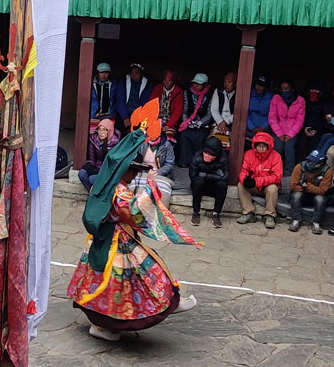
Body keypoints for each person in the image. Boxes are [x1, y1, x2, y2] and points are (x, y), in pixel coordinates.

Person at [65, 99, 200, 342]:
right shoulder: (120, 190)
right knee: (139, 275)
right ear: (125, 171)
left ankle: (107, 325)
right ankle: (160, 304)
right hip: (116, 242)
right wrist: (150, 193)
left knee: (125, 279)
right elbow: (133, 212)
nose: (135, 174)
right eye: (133, 170)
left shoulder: (107, 184)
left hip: (110, 239)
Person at [236, 131, 283, 228]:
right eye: (259, 145)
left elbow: (277, 177)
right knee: (240, 185)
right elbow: (244, 170)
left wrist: (257, 181)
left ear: (269, 146)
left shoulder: (276, 156)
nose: (261, 148)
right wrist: (245, 179)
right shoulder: (249, 154)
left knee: (273, 188)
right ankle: (248, 212)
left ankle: (269, 215)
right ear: (255, 145)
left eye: (264, 146)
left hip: (266, 186)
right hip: (253, 185)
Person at [288, 149, 334, 234]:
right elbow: (293, 186)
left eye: (313, 162)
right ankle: (296, 220)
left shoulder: (327, 171)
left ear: (320, 163)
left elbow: (323, 190)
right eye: (309, 160)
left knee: (320, 199)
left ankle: (316, 223)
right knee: (296, 195)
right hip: (302, 193)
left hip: (316, 196)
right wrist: (307, 189)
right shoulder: (299, 166)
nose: (310, 163)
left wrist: (308, 186)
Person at [188, 136, 228, 228]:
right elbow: (193, 176)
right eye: (205, 153)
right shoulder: (196, 157)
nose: (207, 156)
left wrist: (205, 175)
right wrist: (217, 176)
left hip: (214, 187)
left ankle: (216, 214)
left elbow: (225, 177)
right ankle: (196, 212)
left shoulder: (223, 158)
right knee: (198, 182)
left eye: (210, 155)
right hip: (200, 186)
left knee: (223, 185)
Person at [268, 79, 305, 173]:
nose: (284, 91)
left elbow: (300, 120)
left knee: (289, 148)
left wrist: (290, 134)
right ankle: (274, 171)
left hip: (292, 130)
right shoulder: (276, 98)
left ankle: (289, 173)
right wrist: (279, 133)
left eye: (286, 89)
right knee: (277, 147)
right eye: (282, 89)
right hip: (278, 129)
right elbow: (272, 117)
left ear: (292, 89)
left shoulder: (300, 100)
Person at [177, 73, 213, 167]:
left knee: (200, 136)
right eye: (194, 83)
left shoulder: (210, 94)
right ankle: (184, 161)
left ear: (205, 84)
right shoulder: (188, 92)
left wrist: (200, 123)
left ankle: (197, 162)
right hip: (189, 120)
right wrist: (187, 121)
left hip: (203, 122)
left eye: (199, 83)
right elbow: (185, 110)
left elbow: (209, 113)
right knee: (184, 134)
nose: (195, 85)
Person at [78, 118, 120, 190]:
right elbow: (92, 158)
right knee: (82, 173)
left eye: (104, 130)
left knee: (92, 179)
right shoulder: (94, 140)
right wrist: (89, 165)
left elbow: (113, 163)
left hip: (107, 171)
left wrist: (101, 171)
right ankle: (91, 194)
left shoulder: (115, 143)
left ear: (109, 131)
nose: (101, 132)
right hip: (96, 167)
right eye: (99, 129)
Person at [297, 82, 333, 161]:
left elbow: (324, 120)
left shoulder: (324, 103)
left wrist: (317, 130)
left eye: (317, 90)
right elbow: (299, 117)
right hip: (304, 129)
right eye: (312, 90)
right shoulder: (304, 101)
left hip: (318, 131)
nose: (314, 93)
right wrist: (304, 128)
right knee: (301, 145)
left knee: (315, 145)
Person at [114, 62, 152, 130]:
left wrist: (138, 117)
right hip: (124, 114)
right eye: (132, 73)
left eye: (137, 73)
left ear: (141, 74)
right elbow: (120, 100)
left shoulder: (147, 85)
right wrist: (125, 117)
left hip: (139, 114)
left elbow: (145, 102)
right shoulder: (123, 82)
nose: (134, 75)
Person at [210, 72, 236, 139]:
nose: (226, 85)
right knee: (213, 140)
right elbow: (214, 110)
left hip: (233, 122)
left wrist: (226, 122)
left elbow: (238, 113)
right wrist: (221, 122)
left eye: (229, 82)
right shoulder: (218, 91)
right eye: (225, 82)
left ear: (235, 84)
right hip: (218, 121)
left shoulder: (238, 94)